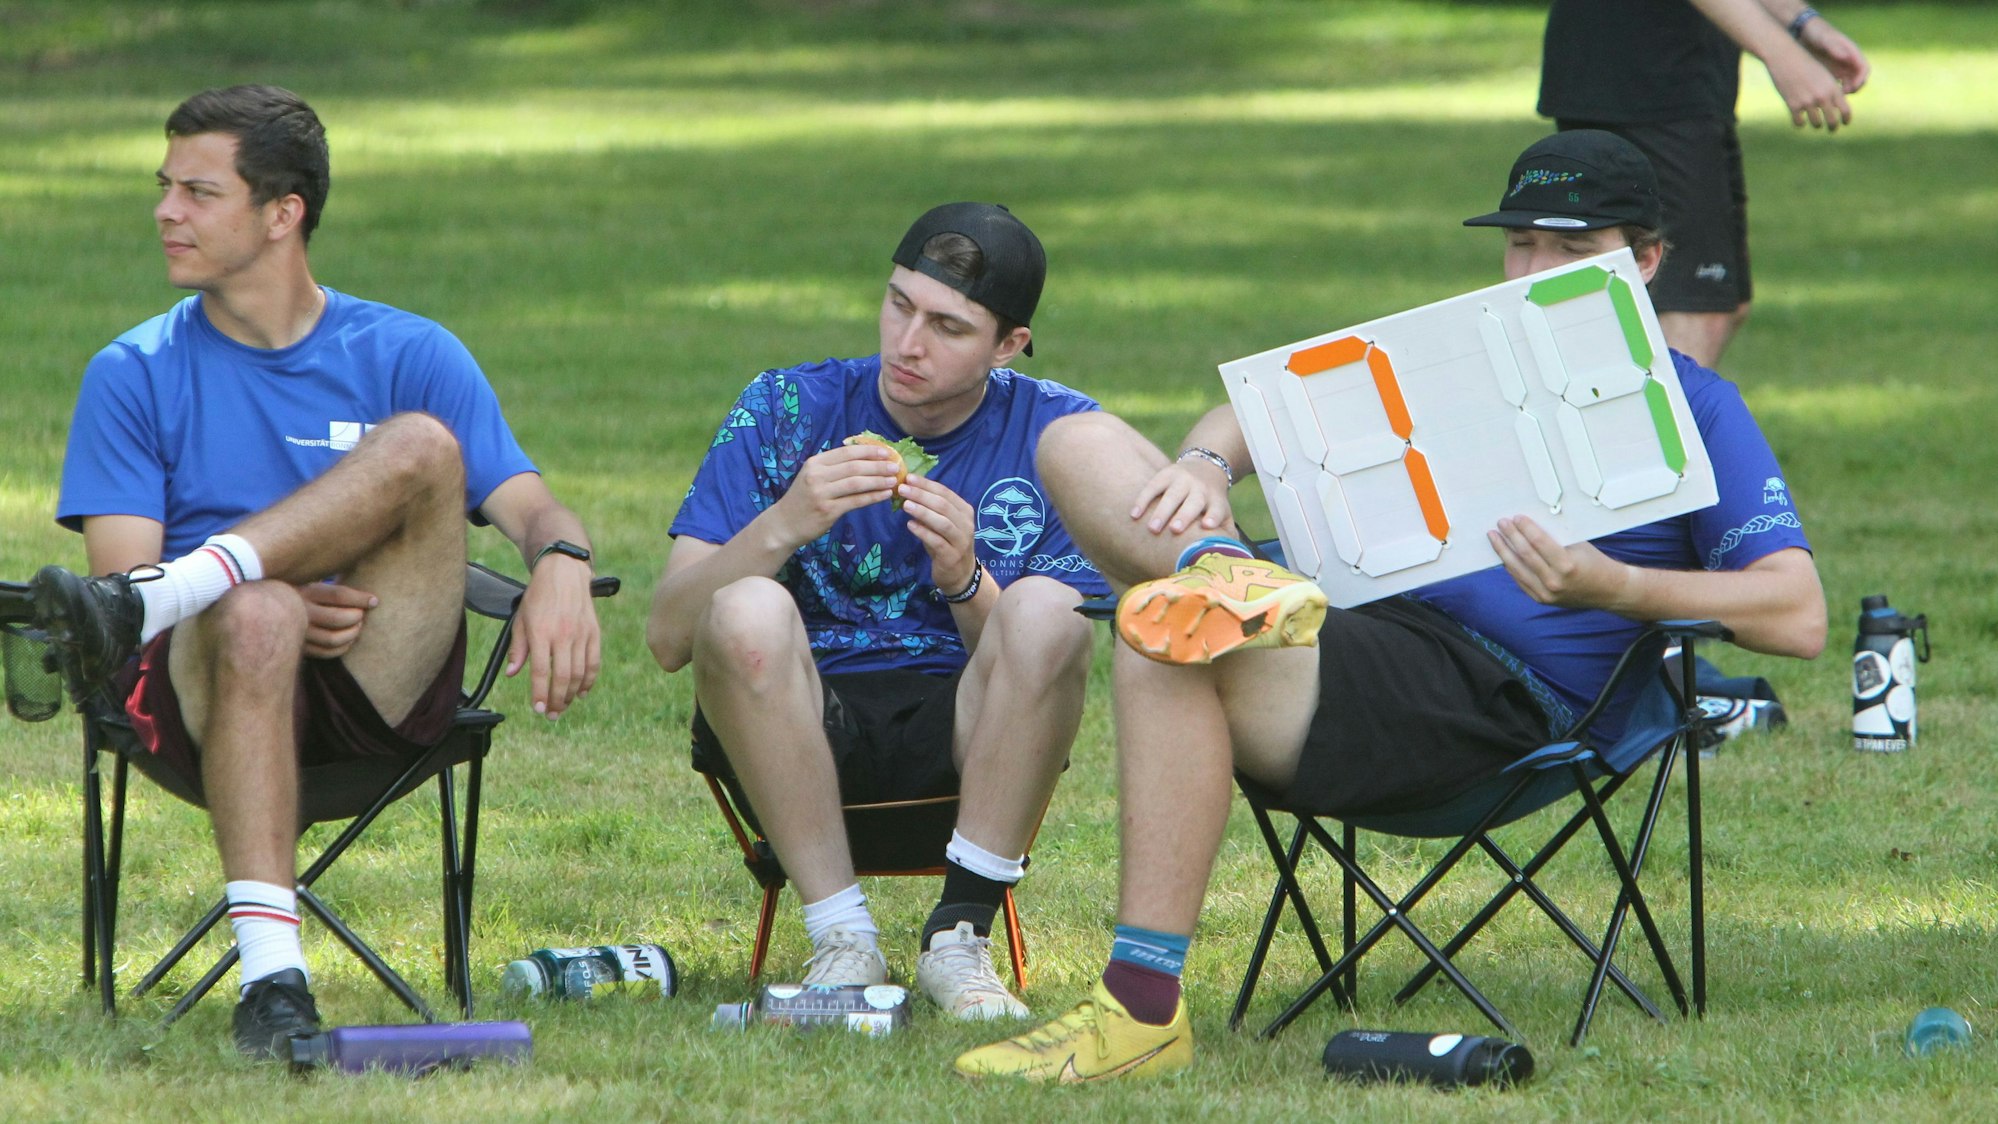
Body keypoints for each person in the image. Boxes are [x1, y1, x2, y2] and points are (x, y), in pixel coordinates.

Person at [955, 130, 1827, 1081]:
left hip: (1501, 700)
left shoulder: (1699, 409)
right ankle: (1228, 571)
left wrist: (1612, 586)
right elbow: (1253, 413)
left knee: (1166, 633)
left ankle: (1140, 1011)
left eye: (1571, 251)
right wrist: (1208, 466)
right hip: (1352, 616)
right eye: (1521, 243)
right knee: (1075, 443)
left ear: (1646, 260)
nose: (1534, 271)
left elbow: (1797, 615)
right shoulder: (1465, 351)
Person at [26, 85, 602, 1059]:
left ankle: (206, 574)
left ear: (282, 213)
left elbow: (533, 507)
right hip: (202, 689)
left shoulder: (408, 349)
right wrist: (272, 595)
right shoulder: (134, 370)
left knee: (421, 442)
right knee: (254, 614)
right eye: (165, 187)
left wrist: (562, 561)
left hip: (375, 673)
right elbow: (123, 591)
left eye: (200, 192)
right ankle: (271, 982)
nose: (166, 211)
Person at [647, 203, 1105, 1020]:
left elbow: (1042, 655)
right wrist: (783, 522)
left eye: (947, 326)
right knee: (744, 605)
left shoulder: (1061, 433)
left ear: (1008, 346)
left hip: (969, 740)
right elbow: (669, 636)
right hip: (796, 723)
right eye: (899, 304)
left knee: (1049, 608)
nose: (908, 343)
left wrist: (966, 577)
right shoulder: (788, 406)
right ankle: (840, 936)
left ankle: (960, 937)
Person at [1540, 0, 1870, 368]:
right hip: (1642, 79)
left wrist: (1803, 23)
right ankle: (1642, 426)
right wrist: (1783, 54)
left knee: (1721, 302)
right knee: (1694, 307)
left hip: (1669, 81)